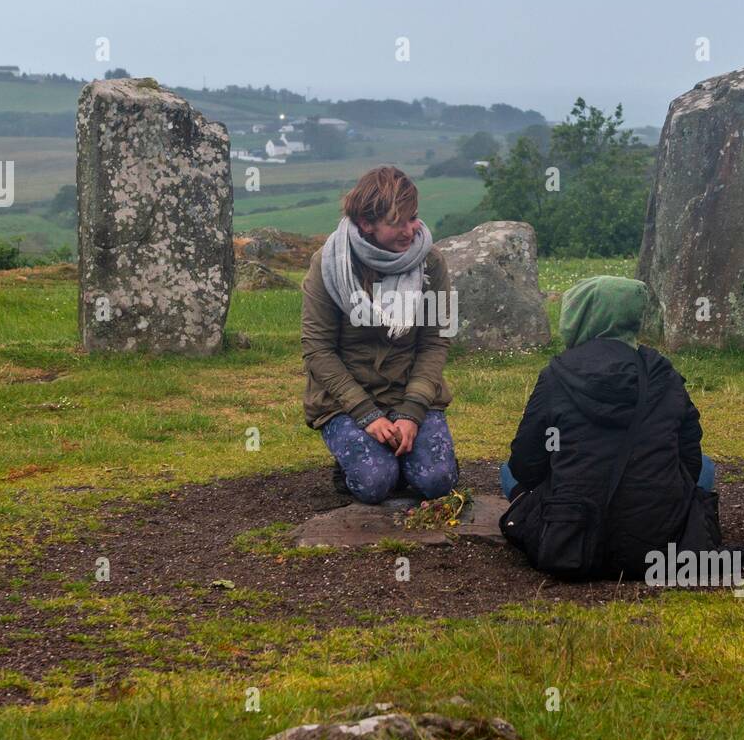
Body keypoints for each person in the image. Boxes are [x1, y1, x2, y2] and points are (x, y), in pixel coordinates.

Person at [498, 275, 719, 580]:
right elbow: (691, 459)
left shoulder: (556, 375)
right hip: (658, 541)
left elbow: (524, 464)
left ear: (582, 315)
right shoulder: (662, 374)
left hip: (573, 537)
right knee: (707, 467)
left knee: (506, 471)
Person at [301, 167, 459, 504]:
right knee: (374, 483)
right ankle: (365, 464)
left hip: (412, 392)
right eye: (397, 222)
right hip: (346, 400)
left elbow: (436, 341)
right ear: (366, 224)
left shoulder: (432, 264)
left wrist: (411, 411)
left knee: (437, 481)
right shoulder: (327, 265)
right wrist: (365, 414)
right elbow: (317, 349)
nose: (410, 230)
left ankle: (406, 458)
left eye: (413, 218)